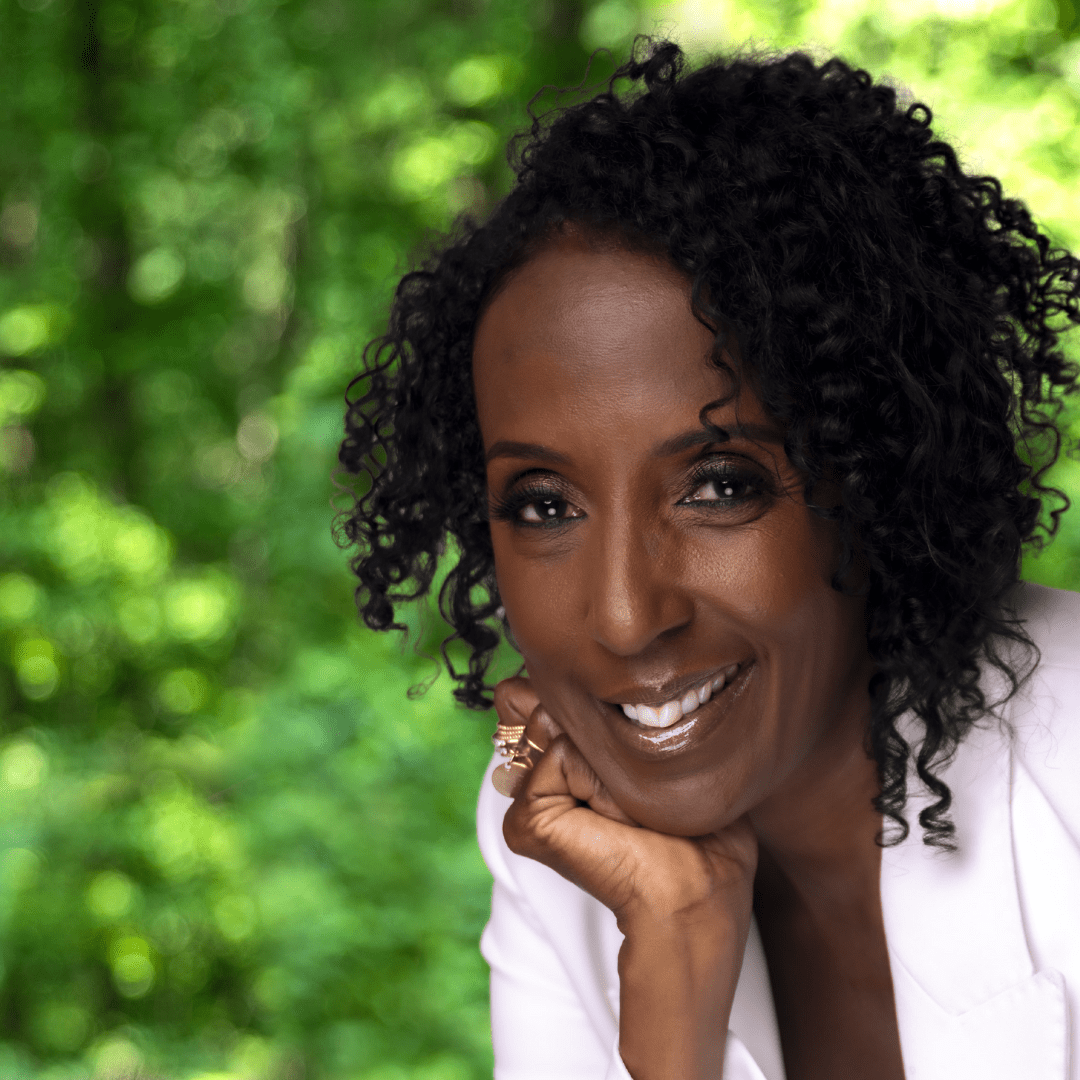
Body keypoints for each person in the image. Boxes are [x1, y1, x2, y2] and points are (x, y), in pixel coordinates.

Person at [338, 41, 1080, 1080]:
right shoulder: (564, 838)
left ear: (871, 472)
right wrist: (673, 1008)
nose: (626, 617)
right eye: (544, 504)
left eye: (720, 485)